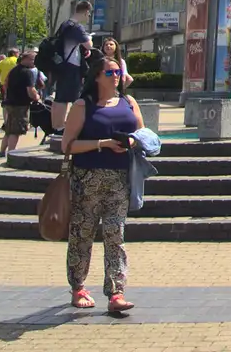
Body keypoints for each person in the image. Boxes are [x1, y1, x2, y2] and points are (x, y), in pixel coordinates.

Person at [60, 50, 144, 313]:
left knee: (114, 234)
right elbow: (68, 145)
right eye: (110, 72)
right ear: (97, 77)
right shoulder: (83, 105)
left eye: (118, 72)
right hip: (87, 180)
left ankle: (116, 293)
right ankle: (78, 287)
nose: (116, 76)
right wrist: (103, 144)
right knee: (82, 234)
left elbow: (144, 135)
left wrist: (132, 141)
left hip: (120, 178)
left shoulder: (129, 102)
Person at [51, 0, 93, 133]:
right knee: (68, 98)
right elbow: (89, 45)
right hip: (71, 65)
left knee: (60, 97)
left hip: (61, 64)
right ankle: (61, 127)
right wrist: (89, 38)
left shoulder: (65, 24)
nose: (88, 17)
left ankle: (56, 126)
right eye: (89, 14)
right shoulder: (77, 27)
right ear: (86, 12)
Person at [0, 49, 44, 159]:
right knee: (16, 131)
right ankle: (11, 154)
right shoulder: (27, 73)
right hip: (20, 105)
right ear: (25, 59)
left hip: (10, 103)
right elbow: (30, 90)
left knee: (8, 130)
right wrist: (37, 97)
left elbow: (5, 85)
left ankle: (2, 152)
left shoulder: (13, 70)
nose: (34, 62)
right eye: (33, 59)